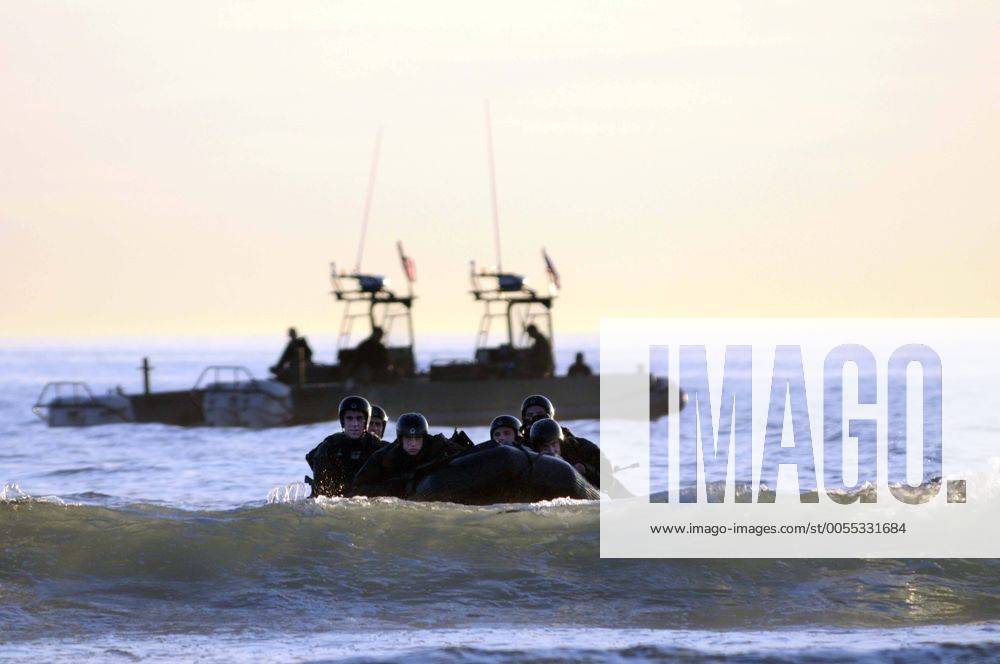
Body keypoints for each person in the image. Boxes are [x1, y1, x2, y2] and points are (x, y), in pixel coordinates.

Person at [351, 413, 468, 498]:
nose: (413, 444)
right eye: (408, 439)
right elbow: (357, 488)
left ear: (424, 438)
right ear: (400, 439)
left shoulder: (439, 445)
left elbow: (468, 456)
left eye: (417, 438)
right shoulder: (384, 457)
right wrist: (395, 487)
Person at [304, 396, 384, 497]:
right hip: (336, 497)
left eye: (359, 419)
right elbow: (312, 459)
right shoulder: (330, 445)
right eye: (349, 418)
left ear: (366, 421)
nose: (354, 424)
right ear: (343, 421)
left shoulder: (378, 446)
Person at [518, 394, 602, 489]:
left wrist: (585, 469)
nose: (534, 418)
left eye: (539, 414)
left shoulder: (574, 444)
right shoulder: (522, 448)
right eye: (530, 415)